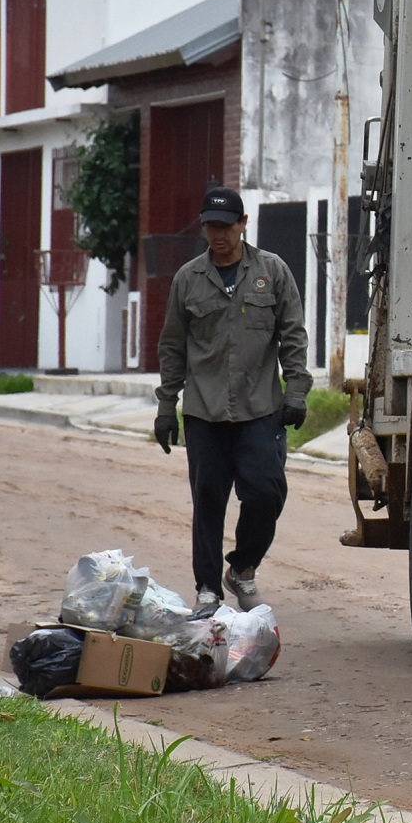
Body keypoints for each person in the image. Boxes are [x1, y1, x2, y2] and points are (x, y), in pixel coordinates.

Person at [155, 187, 311, 617]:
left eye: (226, 226)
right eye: (211, 226)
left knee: (266, 492)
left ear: (243, 225)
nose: (218, 234)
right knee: (207, 501)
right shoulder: (188, 279)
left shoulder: (272, 272)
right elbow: (172, 347)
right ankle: (207, 589)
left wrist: (296, 392)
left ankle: (242, 567)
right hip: (204, 410)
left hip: (260, 408)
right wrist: (167, 407)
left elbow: (293, 336)